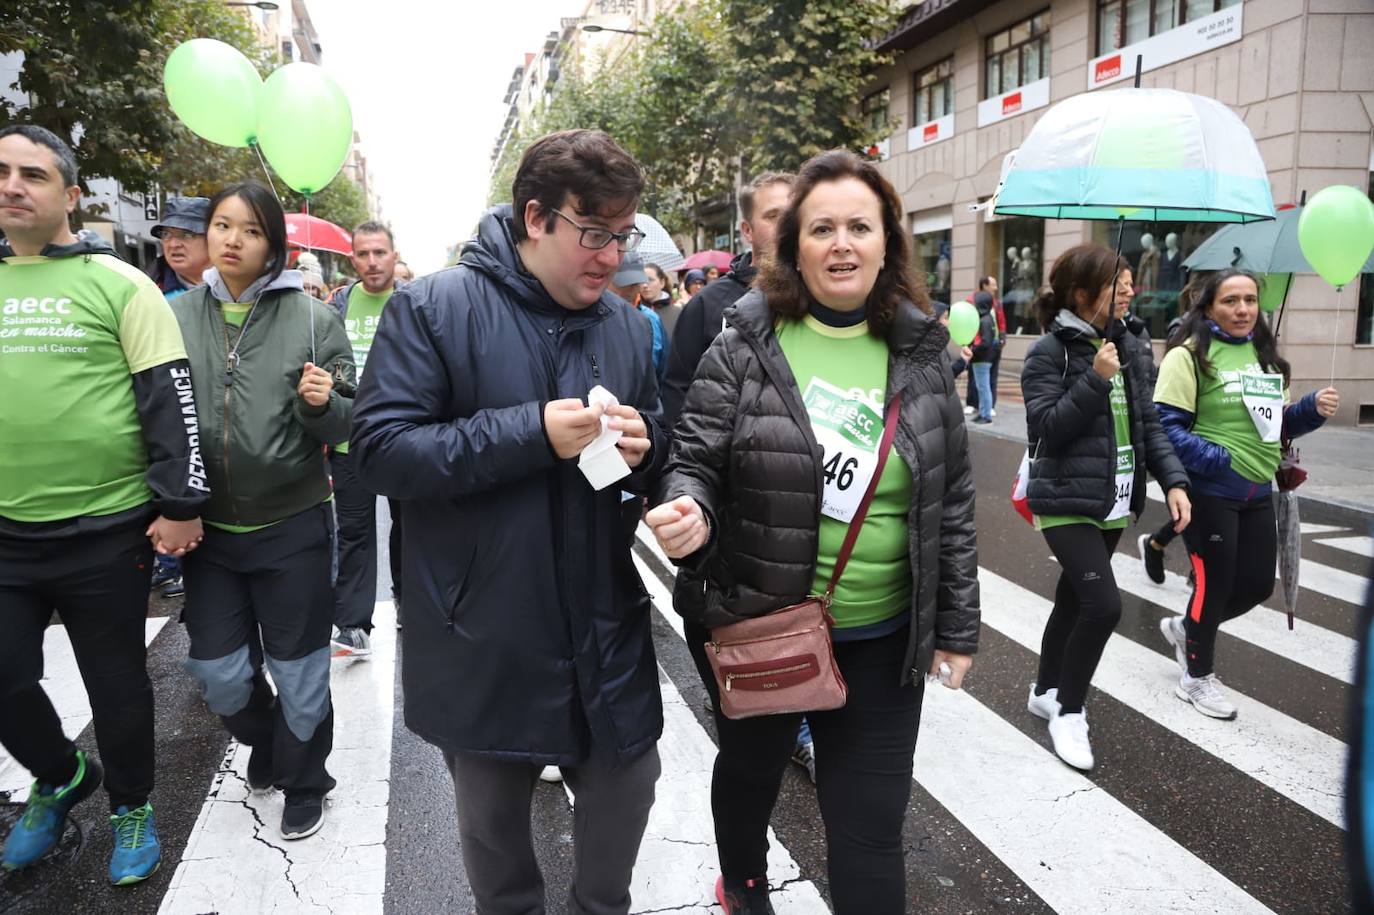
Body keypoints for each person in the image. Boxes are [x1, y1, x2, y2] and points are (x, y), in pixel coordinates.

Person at [645, 149, 979, 915]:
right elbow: (692, 455)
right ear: (792, 244)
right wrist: (689, 507)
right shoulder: (744, 344)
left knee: (869, 831)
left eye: (860, 226)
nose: (841, 243)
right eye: (822, 226)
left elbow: (951, 499)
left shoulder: (924, 355)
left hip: (884, 640)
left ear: (888, 242)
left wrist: (955, 626)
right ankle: (746, 883)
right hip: (763, 619)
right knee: (752, 775)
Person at [350, 129, 666, 914]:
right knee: (495, 837)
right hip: (480, 627)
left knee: (628, 790)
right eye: (595, 234)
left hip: (603, 618)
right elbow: (382, 451)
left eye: (623, 235)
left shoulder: (627, 326)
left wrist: (651, 446)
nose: (612, 257)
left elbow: (662, 437)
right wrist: (528, 433)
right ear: (536, 217)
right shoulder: (434, 308)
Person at [0, 124, 207, 884]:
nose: (13, 185)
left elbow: (170, 400)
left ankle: (132, 804)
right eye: (2, 171)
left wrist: (181, 503)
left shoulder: (120, 283)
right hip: (7, 534)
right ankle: (59, 776)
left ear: (70, 196)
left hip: (104, 530)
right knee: (5, 674)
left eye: (33, 174)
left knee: (115, 683)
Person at [172, 180, 354, 840]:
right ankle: (274, 742)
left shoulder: (314, 320)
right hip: (209, 530)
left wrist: (320, 404)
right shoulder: (177, 315)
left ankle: (307, 779)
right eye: (222, 224)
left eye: (250, 229)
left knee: (300, 669)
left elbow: (350, 423)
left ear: (274, 243)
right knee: (219, 673)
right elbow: (161, 415)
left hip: (293, 526)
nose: (232, 239)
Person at [1020, 244, 1191, 772]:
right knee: (1103, 605)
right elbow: (1046, 430)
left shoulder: (1132, 346)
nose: (1129, 290)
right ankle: (1069, 712)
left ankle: (1045, 689)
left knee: (1073, 600)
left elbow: (1149, 425)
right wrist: (1095, 378)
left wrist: (1174, 481)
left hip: (1113, 499)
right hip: (1065, 497)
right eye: (1117, 281)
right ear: (1080, 293)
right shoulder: (1049, 352)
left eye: (1130, 281)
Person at [1152, 268, 1337, 719]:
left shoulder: (1266, 358)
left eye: (1250, 300)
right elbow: (1165, 427)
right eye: (1230, 300)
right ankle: (1197, 678)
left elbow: (1277, 427)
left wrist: (1310, 410)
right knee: (1213, 586)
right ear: (1208, 305)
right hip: (1209, 491)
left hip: (1257, 490)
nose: (1242, 309)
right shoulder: (1189, 356)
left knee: (1256, 585)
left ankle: (1185, 629)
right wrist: (1217, 460)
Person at [326, 221, 404, 655]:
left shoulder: (415, 303)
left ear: (394, 255)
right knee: (353, 533)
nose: (372, 261)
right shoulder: (337, 305)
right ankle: (353, 625)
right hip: (348, 441)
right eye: (363, 254)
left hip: (400, 438)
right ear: (352, 259)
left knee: (408, 528)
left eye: (379, 252)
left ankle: (409, 602)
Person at [662, 172, 795, 427]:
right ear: (747, 230)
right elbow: (678, 393)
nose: (786, 226)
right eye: (773, 216)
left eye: (793, 215)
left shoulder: (824, 298)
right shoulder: (707, 304)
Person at [144, 195, 213, 599]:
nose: (175, 243)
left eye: (187, 233)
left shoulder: (242, 294)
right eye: (168, 233)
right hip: (169, 434)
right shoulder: (144, 293)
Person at [1137, 275, 1203, 585]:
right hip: (1191, 428)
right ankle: (1191, 561)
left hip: (1213, 432)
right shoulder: (1183, 329)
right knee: (1194, 502)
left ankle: (1157, 543)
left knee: (1197, 504)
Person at [608, 250, 667, 381]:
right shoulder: (593, 319)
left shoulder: (650, 319)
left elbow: (661, 369)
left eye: (636, 283)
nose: (630, 290)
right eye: (624, 283)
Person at [963, 276, 1004, 417]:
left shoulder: (996, 304)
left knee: (989, 379)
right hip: (977, 345)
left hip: (992, 345)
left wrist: (1002, 339)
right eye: (993, 285)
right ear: (985, 285)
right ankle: (972, 404)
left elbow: (1001, 322)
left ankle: (988, 407)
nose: (996, 288)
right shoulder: (972, 301)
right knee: (975, 378)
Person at [968, 291, 999, 424]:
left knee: (983, 387)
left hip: (982, 359)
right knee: (982, 387)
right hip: (983, 358)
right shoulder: (988, 318)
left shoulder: (984, 320)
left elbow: (985, 342)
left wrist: (972, 350)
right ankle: (983, 413)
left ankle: (985, 415)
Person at [643, 261, 681, 339]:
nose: (645, 285)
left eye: (650, 280)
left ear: (662, 283)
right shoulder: (634, 310)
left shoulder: (678, 312)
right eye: (642, 280)